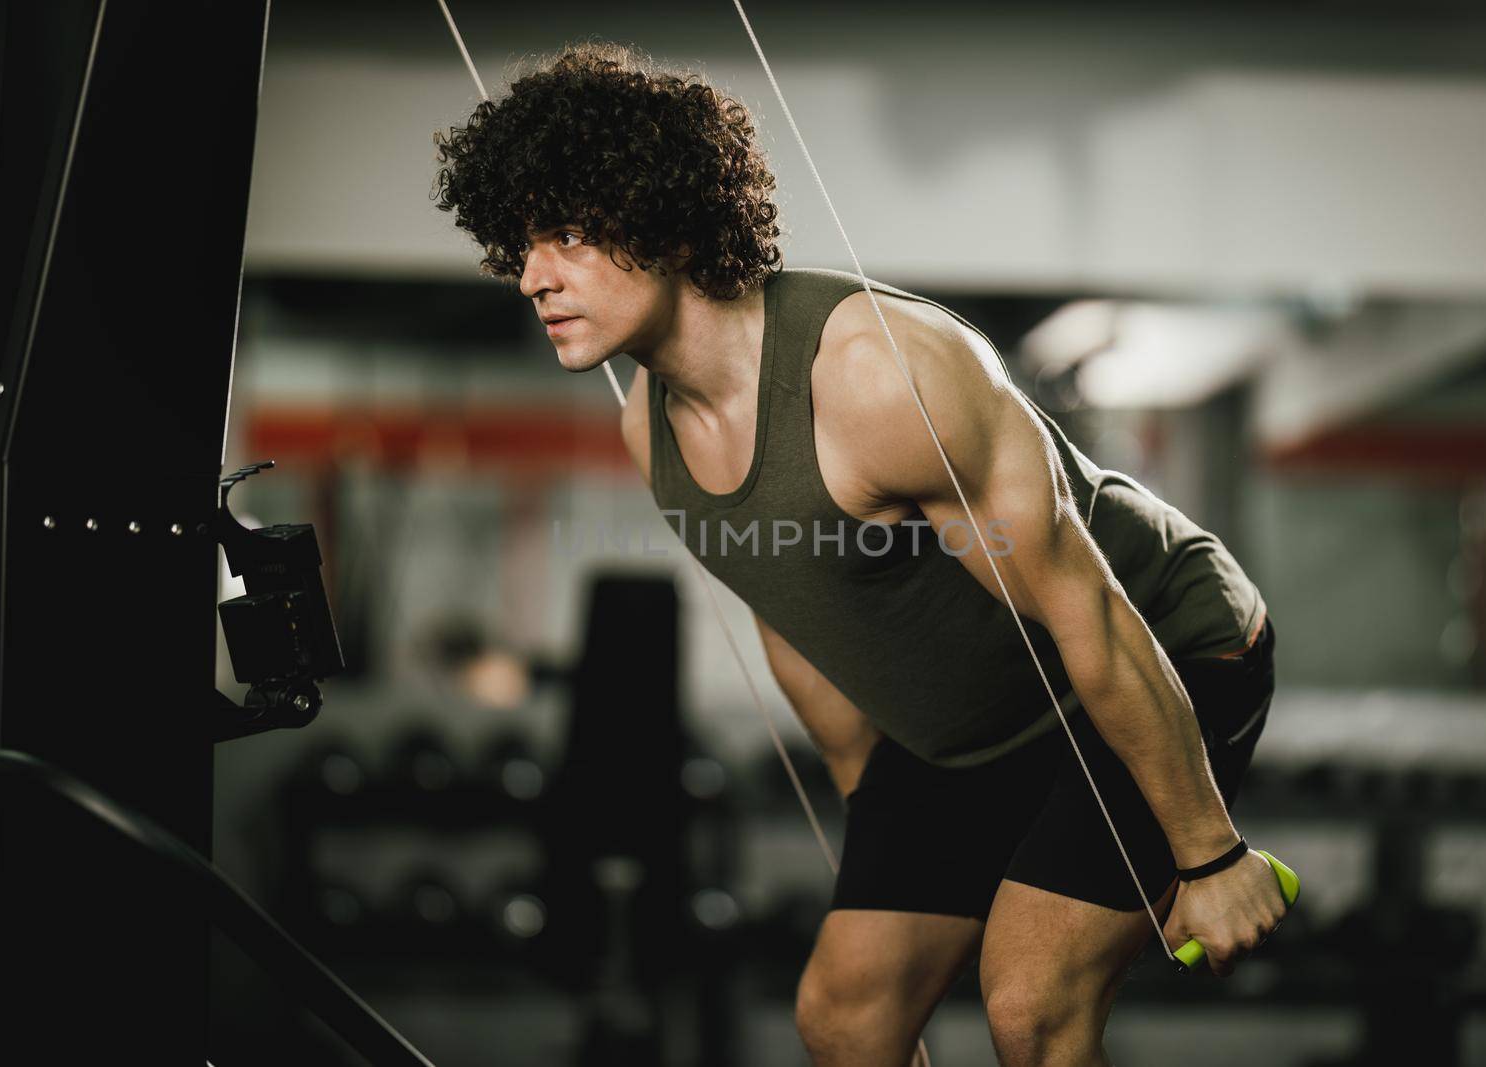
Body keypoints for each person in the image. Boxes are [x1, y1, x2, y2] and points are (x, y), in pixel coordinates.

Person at [433, 43, 1288, 1067]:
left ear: (657, 213)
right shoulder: (649, 432)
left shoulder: (874, 374)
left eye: (566, 235)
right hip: (974, 734)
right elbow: (794, 610)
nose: (532, 277)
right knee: (846, 1016)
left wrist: (1210, 850)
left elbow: (1086, 608)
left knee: (1030, 1000)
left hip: (1162, 644)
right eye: (520, 244)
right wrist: (875, 810)